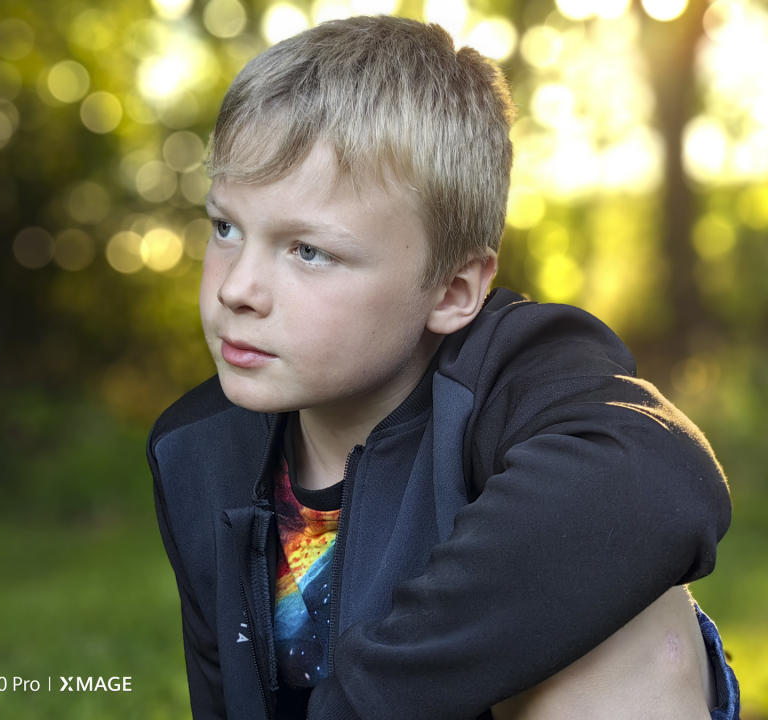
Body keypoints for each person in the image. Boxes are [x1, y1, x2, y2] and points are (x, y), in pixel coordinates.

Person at [148, 15, 739, 720]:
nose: (236, 288)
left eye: (308, 251)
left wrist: (364, 703)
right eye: (226, 228)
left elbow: (658, 481)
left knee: (638, 618)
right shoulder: (196, 449)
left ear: (453, 291)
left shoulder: (512, 373)